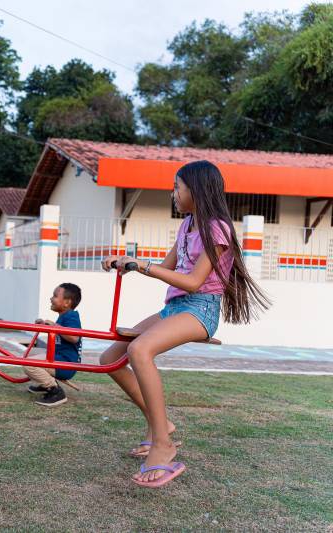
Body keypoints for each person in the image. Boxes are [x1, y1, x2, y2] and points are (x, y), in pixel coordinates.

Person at [100, 160, 269, 488]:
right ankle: (161, 424)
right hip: (174, 307)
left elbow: (193, 282)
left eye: (177, 187)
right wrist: (128, 263)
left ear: (197, 190)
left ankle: (162, 444)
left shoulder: (217, 228)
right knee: (110, 359)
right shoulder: (188, 224)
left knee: (140, 350)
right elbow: (166, 267)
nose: (173, 193)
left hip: (200, 310)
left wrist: (142, 265)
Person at [24, 282, 83, 407]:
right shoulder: (63, 317)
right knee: (32, 360)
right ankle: (46, 384)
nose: (51, 298)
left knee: (28, 364)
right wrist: (45, 325)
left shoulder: (71, 316)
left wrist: (55, 327)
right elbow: (59, 333)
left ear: (67, 302)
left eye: (55, 296)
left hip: (66, 364)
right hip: (60, 360)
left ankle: (55, 391)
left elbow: (74, 337)